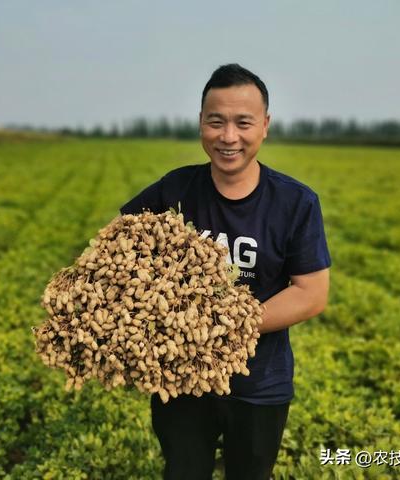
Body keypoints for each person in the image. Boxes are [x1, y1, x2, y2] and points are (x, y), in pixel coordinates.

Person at [118, 63, 331, 480]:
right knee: (183, 471)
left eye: (243, 123)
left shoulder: (295, 202)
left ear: (265, 126)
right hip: (179, 377)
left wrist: (223, 325)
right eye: (216, 122)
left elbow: (311, 293)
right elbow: (119, 244)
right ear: (201, 123)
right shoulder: (174, 190)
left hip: (259, 385)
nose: (228, 137)